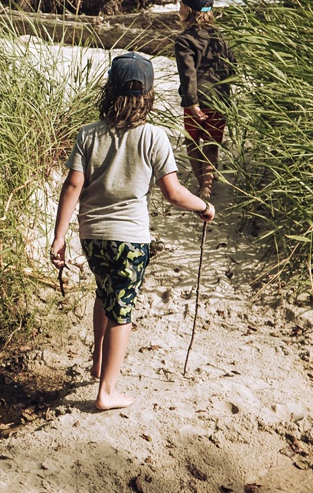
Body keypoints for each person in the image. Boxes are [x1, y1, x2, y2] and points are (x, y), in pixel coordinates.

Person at [50, 53, 216, 410]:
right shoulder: (154, 137)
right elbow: (172, 193)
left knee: (104, 292)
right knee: (122, 309)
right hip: (129, 238)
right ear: (149, 95)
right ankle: (107, 392)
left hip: (91, 235)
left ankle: (98, 364)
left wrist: (59, 236)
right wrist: (204, 206)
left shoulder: (88, 134)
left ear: (109, 90)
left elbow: (72, 187)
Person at [173, 0, 234, 200]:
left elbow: (188, 74)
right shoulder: (221, 38)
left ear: (188, 10)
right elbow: (232, 67)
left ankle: (202, 186)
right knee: (211, 143)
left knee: (192, 141)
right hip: (220, 98)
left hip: (197, 98)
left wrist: (192, 103)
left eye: (180, 4)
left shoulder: (184, 40)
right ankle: (207, 185)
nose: (178, 8)